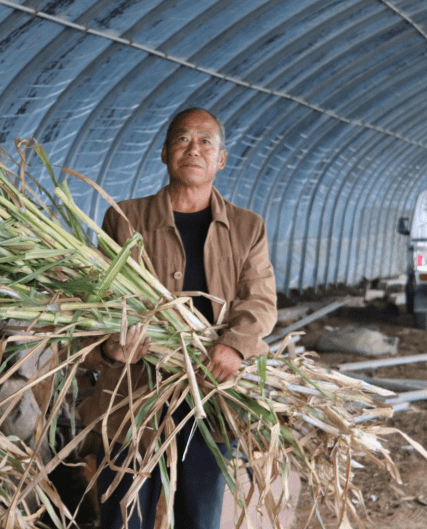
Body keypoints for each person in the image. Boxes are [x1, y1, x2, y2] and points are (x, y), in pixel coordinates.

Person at [79, 108, 277, 529]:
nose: (194, 149)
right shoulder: (125, 218)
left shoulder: (247, 227)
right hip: (134, 398)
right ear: (165, 152)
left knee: (199, 519)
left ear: (221, 159)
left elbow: (259, 301)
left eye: (207, 141)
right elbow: (96, 303)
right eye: (183, 140)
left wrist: (234, 346)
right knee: (123, 518)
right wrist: (111, 348)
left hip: (211, 397)